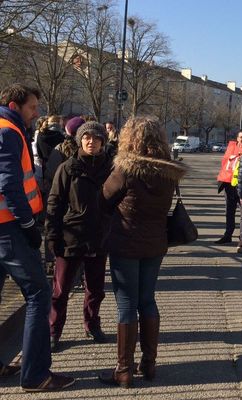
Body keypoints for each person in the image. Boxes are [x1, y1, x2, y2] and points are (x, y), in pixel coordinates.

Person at [99, 116, 186, 388]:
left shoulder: (125, 169)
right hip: (155, 244)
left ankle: (123, 369)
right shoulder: (169, 173)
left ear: (129, 138)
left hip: (125, 243)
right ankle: (149, 363)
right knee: (147, 300)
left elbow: (104, 199)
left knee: (126, 304)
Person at [0, 83, 75, 391]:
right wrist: (29, 224)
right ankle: (35, 375)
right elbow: (9, 183)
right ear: (16, 106)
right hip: (9, 228)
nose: (37, 113)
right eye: (33, 107)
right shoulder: (9, 131)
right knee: (39, 294)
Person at [45, 121, 113, 352]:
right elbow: (54, 203)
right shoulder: (68, 168)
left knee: (95, 289)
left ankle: (92, 324)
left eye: (95, 137)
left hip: (99, 236)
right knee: (60, 289)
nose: (91, 141)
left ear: (103, 141)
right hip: (71, 236)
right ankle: (54, 330)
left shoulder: (111, 169)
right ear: (80, 140)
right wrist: (52, 235)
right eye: (86, 138)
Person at [214, 129, 242, 244]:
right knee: (229, 212)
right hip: (229, 185)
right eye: (241, 137)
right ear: (237, 138)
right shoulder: (232, 148)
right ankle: (228, 235)